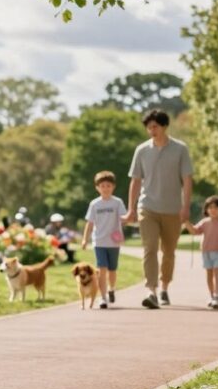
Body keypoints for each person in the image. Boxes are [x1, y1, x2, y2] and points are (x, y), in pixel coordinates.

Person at [124, 109, 194, 309]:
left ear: (164, 126)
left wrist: (185, 207)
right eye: (148, 127)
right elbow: (135, 181)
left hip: (173, 209)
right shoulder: (142, 150)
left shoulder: (180, 149)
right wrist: (131, 209)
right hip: (148, 207)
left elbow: (187, 180)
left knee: (169, 252)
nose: (151, 130)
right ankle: (151, 290)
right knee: (150, 248)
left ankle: (164, 286)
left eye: (154, 126)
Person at [80, 171, 127, 309]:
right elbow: (89, 223)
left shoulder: (117, 202)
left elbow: (124, 218)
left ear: (113, 187)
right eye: (102, 186)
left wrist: (127, 221)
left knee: (112, 270)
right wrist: (85, 239)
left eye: (108, 185)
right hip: (99, 241)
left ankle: (112, 289)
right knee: (102, 269)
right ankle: (103, 297)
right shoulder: (95, 204)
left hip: (114, 242)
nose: (105, 188)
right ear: (97, 188)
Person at [184, 196, 218, 310]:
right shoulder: (204, 222)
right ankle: (211, 295)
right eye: (210, 207)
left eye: (216, 208)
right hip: (206, 252)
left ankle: (216, 295)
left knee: (217, 272)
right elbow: (195, 231)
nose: (213, 210)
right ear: (206, 210)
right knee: (209, 274)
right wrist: (186, 222)